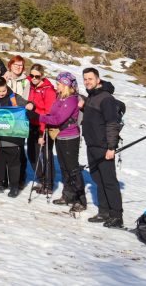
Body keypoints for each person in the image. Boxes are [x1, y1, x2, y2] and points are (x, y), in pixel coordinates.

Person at [82, 67, 124, 228]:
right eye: (85, 79)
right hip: (91, 144)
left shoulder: (106, 98)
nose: (87, 82)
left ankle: (116, 216)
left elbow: (112, 123)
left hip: (103, 146)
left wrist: (111, 147)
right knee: (98, 179)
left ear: (98, 80)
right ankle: (104, 211)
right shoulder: (92, 96)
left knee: (109, 181)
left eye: (90, 79)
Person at [40, 71, 86, 213]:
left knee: (73, 169)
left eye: (59, 83)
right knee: (64, 168)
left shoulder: (71, 100)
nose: (57, 86)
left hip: (70, 137)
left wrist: (39, 117)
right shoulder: (60, 98)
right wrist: (47, 117)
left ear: (66, 85)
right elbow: (53, 114)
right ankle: (68, 196)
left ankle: (80, 200)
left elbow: (58, 119)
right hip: (60, 136)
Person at [0, 77, 34, 197]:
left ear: (7, 87)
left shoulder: (14, 97)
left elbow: (28, 103)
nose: (1, 94)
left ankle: (14, 187)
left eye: (3, 90)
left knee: (13, 163)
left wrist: (30, 105)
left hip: (12, 137)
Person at [27, 64, 57, 193]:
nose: (34, 78)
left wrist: (42, 133)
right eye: (32, 75)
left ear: (42, 76)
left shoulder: (49, 91)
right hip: (31, 125)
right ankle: (41, 178)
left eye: (37, 76)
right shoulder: (30, 86)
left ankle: (49, 184)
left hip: (44, 126)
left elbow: (48, 113)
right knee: (32, 154)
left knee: (46, 155)